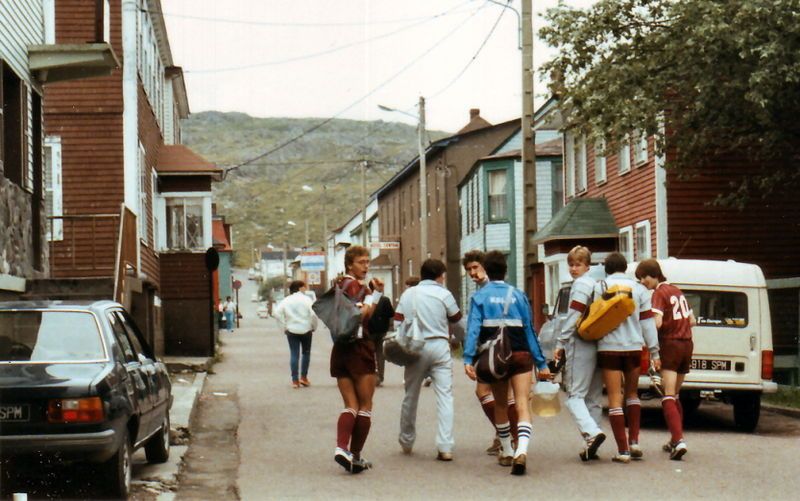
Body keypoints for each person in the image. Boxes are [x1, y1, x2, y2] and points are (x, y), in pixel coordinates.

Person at [463, 251, 550, 475]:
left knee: (501, 404)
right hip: (521, 354)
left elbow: (473, 330)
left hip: (495, 358)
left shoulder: (480, 297)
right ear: (505, 270)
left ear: (486, 271)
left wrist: (468, 358)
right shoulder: (518, 295)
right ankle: (522, 449)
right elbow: (530, 330)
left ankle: (507, 450)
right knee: (521, 402)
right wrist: (541, 363)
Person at [394, 259, 462, 461]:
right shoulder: (444, 294)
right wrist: (457, 340)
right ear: (440, 275)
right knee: (445, 396)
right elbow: (457, 322)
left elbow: (398, 322)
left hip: (416, 348)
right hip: (440, 346)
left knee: (411, 395)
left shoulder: (408, 294)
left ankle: (407, 440)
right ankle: (445, 445)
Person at [596, 252, 660, 463]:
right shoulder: (640, 289)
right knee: (632, 394)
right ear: (625, 268)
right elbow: (648, 323)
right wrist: (654, 351)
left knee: (614, 397)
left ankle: (622, 450)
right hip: (634, 347)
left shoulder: (601, 287)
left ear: (607, 268)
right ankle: (634, 441)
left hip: (609, 348)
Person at [330, 245, 384, 474]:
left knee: (349, 404)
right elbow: (363, 314)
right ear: (350, 264)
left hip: (340, 348)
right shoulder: (355, 286)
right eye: (361, 262)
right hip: (359, 348)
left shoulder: (339, 285)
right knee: (365, 405)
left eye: (367, 262)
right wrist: (375, 294)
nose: (366, 266)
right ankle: (356, 454)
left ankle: (342, 448)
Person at [635, 258, 694, 460]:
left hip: (670, 344)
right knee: (676, 394)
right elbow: (692, 320)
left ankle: (678, 441)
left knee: (667, 395)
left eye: (644, 277)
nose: (643, 282)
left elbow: (657, 323)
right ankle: (674, 438)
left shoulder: (659, 293)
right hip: (687, 343)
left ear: (655, 275)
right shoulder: (677, 291)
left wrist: (644, 336)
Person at [462, 250, 519, 455]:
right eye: (469, 269)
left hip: (496, 348)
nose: (472, 273)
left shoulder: (487, 291)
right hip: (506, 346)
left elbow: (475, 326)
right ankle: (506, 436)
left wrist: (468, 356)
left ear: (485, 267)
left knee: (489, 393)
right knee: (506, 395)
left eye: (476, 267)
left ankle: (507, 436)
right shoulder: (499, 289)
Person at [554, 246, 606, 461]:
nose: (574, 269)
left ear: (587, 265)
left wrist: (560, 342)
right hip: (598, 342)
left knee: (575, 395)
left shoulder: (580, 286)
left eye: (578, 264)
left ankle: (592, 433)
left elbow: (574, 316)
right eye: (572, 264)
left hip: (580, 343)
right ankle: (592, 441)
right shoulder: (598, 285)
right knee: (593, 396)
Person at [274, 280, 318, 388]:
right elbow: (313, 314)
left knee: (294, 354)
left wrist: (283, 327)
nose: (305, 289)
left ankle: (295, 380)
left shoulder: (286, 300)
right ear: (300, 288)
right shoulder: (307, 300)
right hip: (306, 329)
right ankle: (304, 377)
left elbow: (277, 313)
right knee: (306, 353)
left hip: (291, 330)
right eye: (304, 287)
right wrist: (313, 326)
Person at [368, 295, 394, 386]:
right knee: (380, 353)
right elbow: (391, 313)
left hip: (369, 330)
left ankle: (371, 375)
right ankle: (380, 376)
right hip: (382, 330)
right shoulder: (385, 299)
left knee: (369, 353)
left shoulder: (367, 299)